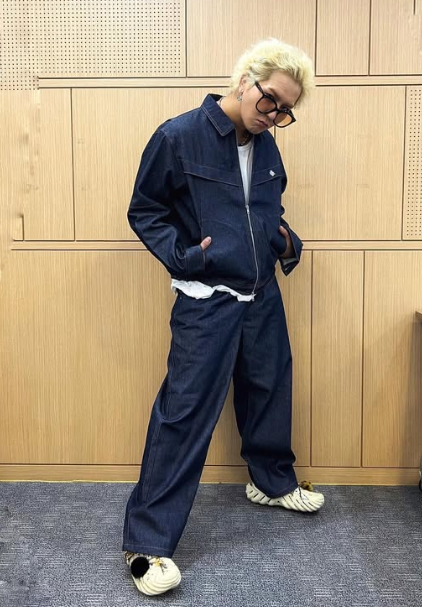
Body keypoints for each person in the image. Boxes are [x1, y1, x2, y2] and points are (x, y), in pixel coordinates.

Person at [122, 38, 325, 596]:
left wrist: (286, 242)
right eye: (270, 100)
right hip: (207, 295)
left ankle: (271, 482)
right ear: (244, 80)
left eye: (285, 111)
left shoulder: (266, 147)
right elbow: (145, 210)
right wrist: (185, 257)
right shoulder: (178, 136)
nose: (274, 115)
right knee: (184, 412)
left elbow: (265, 211)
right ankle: (146, 543)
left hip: (261, 291)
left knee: (268, 387)